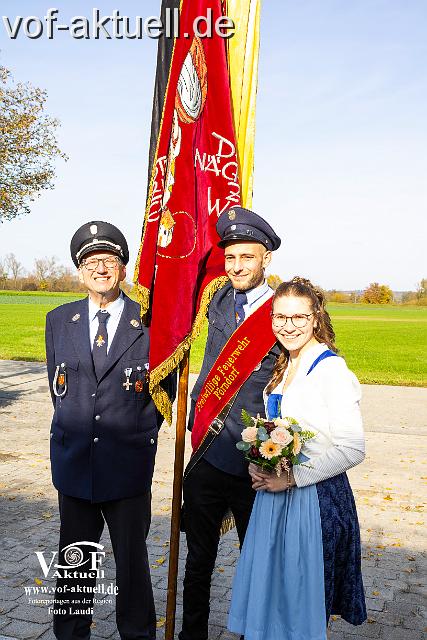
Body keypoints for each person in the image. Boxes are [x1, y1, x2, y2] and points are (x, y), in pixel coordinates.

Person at [45, 220, 175, 640]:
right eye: (91, 261)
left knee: (133, 565)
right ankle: (71, 634)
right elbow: (59, 389)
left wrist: (131, 434)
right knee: (75, 565)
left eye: (110, 260)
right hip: (75, 466)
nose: (101, 268)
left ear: (123, 267)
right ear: (80, 271)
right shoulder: (58, 319)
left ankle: (137, 634)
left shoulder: (152, 322)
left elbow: (162, 395)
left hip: (127, 466)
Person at [228, 276, 367, 640]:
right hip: (275, 500)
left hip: (313, 500)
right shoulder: (285, 364)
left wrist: (290, 478)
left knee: (300, 606)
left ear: (316, 318)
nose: (288, 327)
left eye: (298, 318)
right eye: (280, 317)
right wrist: (259, 459)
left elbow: (353, 447)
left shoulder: (331, 371)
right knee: (274, 600)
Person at [179, 206, 282, 640]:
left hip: (254, 461)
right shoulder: (216, 297)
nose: (237, 266)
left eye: (248, 257)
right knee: (197, 560)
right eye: (231, 257)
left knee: (257, 562)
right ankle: (192, 635)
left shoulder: (286, 309)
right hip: (207, 451)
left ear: (266, 259)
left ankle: (252, 633)